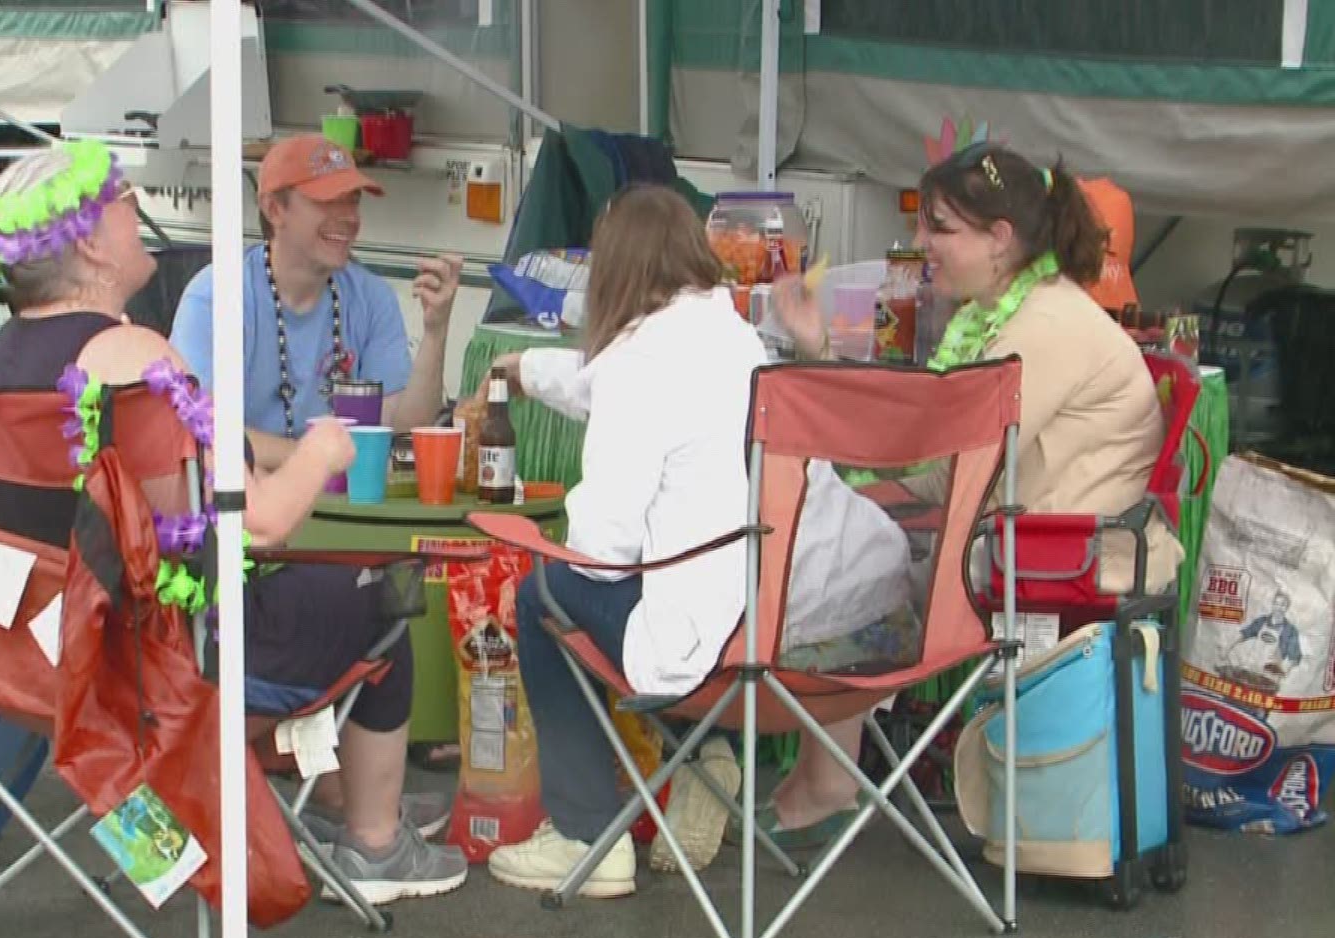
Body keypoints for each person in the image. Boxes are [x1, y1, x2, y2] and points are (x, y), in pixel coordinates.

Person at [0, 142, 465, 905]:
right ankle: (376, 844)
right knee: (379, 593)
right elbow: (259, 522)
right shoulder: (131, 354)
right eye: (123, 200)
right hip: (166, 660)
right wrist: (321, 451)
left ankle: (302, 806)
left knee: (312, 596)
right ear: (89, 240)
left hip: (42, 657)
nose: (137, 213)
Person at [475, 185, 917, 899]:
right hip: (855, 621)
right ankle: (706, 756)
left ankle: (589, 838)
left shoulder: (637, 362)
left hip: (746, 645)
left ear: (613, 275)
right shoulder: (739, 338)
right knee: (675, 593)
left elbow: (602, 546)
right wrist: (525, 369)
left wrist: (559, 542)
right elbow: (606, 382)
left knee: (549, 592)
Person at [768, 144, 1182, 843]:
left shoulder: (1043, 329)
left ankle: (821, 777)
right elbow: (942, 464)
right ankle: (820, 774)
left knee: (848, 581)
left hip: (1049, 565)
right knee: (848, 552)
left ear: (1000, 240)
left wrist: (819, 364)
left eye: (941, 229)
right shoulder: (1018, 315)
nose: (922, 245)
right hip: (1024, 546)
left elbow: (939, 457)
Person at [168, 134, 463, 469]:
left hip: (344, 501)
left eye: (352, 200)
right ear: (274, 208)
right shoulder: (215, 297)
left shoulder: (371, 296)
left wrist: (436, 332)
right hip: (246, 505)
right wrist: (319, 461)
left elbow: (402, 427)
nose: (349, 217)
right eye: (328, 200)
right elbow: (203, 429)